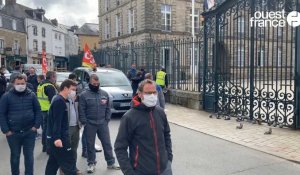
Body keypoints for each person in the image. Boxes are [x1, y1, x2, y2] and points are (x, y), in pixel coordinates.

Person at [114, 79, 173, 175]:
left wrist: (169, 159)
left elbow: (166, 135)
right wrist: (129, 172)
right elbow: (120, 147)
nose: (152, 96)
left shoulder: (160, 112)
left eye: (154, 92)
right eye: (148, 93)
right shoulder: (129, 117)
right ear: (140, 94)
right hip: (141, 171)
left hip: (164, 169)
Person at [0, 74, 42, 175]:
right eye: (18, 84)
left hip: (29, 132)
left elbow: (38, 110)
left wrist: (36, 126)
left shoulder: (32, 95)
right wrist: (6, 130)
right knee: (15, 157)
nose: (20, 85)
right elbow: (2, 114)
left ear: (26, 83)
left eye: (22, 83)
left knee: (29, 157)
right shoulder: (6, 97)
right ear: (13, 84)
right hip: (13, 133)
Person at [79, 74, 120, 173]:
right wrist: (85, 122)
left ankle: (111, 163)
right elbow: (81, 110)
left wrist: (106, 120)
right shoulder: (84, 95)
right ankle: (91, 163)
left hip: (102, 123)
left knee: (107, 143)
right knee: (90, 145)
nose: (96, 85)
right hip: (90, 123)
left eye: (98, 84)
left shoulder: (104, 94)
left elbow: (108, 108)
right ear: (90, 83)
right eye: (94, 83)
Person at [45, 79, 81, 175]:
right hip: (60, 139)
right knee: (69, 164)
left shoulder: (60, 100)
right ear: (65, 88)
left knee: (53, 163)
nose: (74, 92)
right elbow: (57, 122)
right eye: (72, 89)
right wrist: (57, 138)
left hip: (57, 138)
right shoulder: (59, 102)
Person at [37, 71, 58, 153]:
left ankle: (45, 146)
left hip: (42, 109)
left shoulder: (40, 85)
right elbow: (53, 100)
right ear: (52, 77)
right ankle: (48, 147)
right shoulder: (49, 86)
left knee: (45, 129)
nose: (56, 78)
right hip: (49, 110)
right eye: (55, 76)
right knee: (49, 130)